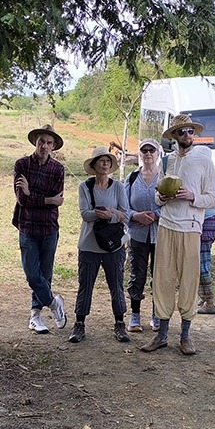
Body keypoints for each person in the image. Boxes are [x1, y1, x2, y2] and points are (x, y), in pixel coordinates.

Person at [140, 114, 215, 355]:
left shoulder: (203, 160)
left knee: (188, 280)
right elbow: (157, 196)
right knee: (162, 278)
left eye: (189, 131)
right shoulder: (167, 162)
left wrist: (192, 196)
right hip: (166, 225)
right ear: (174, 136)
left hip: (191, 227)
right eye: (181, 132)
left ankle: (185, 335)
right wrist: (162, 197)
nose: (186, 135)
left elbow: (214, 198)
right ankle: (162, 334)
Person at [69, 147, 131, 343]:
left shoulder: (119, 187)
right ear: (94, 165)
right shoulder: (85, 187)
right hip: (89, 245)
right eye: (100, 161)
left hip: (114, 246)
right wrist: (107, 214)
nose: (104, 164)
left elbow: (125, 215)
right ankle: (79, 324)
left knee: (116, 285)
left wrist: (110, 215)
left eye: (107, 161)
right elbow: (85, 214)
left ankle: (120, 323)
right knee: (85, 286)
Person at [13, 124, 68, 334]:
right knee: (32, 275)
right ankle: (54, 304)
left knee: (45, 274)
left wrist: (33, 195)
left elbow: (58, 200)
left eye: (49, 143)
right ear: (35, 142)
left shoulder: (58, 169)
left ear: (53, 146)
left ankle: (35, 316)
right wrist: (46, 199)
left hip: (49, 227)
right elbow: (21, 199)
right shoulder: (22, 165)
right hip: (27, 226)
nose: (44, 146)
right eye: (41, 141)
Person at [125, 138, 162, 333]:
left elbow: (172, 206)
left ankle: (157, 314)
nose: (148, 154)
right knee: (136, 274)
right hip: (137, 234)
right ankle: (135, 314)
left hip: (160, 235)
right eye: (144, 150)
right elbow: (124, 207)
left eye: (152, 150)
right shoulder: (132, 178)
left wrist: (157, 215)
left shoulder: (164, 178)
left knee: (159, 275)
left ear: (158, 154)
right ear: (139, 154)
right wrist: (135, 215)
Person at [197, 170, 215, 315]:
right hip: (213, 220)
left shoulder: (203, 174)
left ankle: (209, 302)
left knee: (201, 265)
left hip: (205, 221)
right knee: (201, 263)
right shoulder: (213, 174)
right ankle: (204, 298)